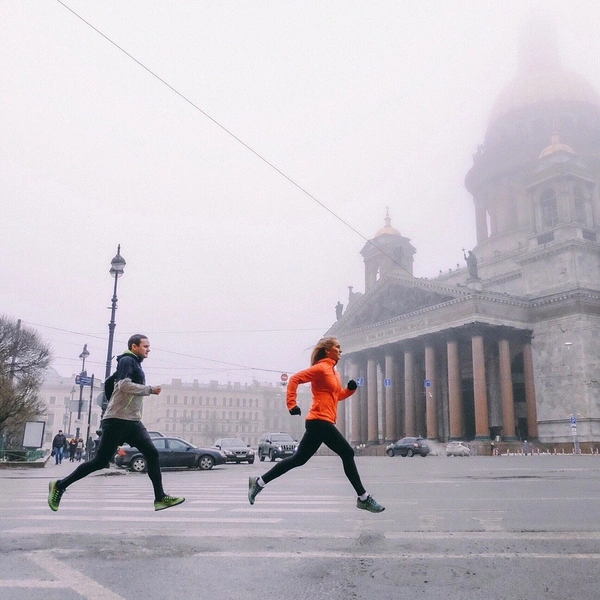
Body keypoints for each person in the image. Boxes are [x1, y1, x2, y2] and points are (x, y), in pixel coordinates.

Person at [48, 334, 184, 512]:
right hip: (118, 421)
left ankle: (160, 498)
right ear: (134, 346)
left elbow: (109, 383)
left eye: (148, 346)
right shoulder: (128, 360)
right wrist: (149, 389)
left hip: (132, 421)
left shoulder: (132, 363)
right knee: (99, 462)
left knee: (152, 454)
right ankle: (59, 485)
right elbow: (123, 385)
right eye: (145, 346)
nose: (148, 349)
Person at [248, 337, 384, 513]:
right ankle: (363, 498)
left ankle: (258, 483)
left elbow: (335, 397)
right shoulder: (320, 368)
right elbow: (295, 379)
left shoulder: (335, 373)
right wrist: (292, 404)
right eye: (337, 347)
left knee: (298, 460)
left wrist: (349, 390)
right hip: (319, 421)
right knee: (347, 452)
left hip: (320, 422)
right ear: (328, 350)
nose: (340, 350)